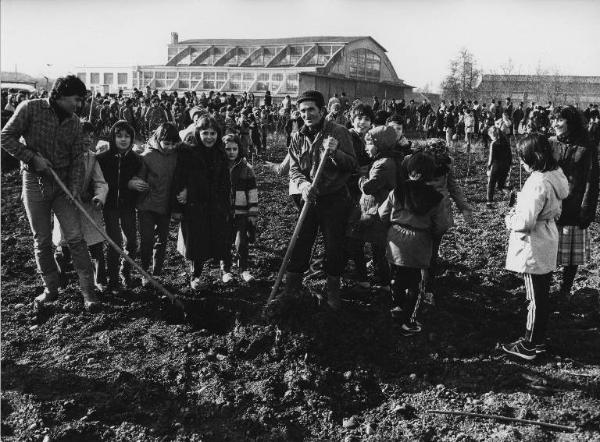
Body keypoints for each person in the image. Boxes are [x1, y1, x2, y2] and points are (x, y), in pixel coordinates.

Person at [0, 75, 100, 310]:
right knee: (42, 240)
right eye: (76, 99)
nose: (79, 105)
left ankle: (89, 294)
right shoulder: (30, 109)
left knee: (75, 238)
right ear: (61, 95)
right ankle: (51, 290)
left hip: (63, 186)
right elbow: (5, 136)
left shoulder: (75, 122)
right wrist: (32, 158)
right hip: (34, 182)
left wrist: (74, 187)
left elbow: (77, 158)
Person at [270, 90, 357, 312]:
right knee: (301, 241)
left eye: (311, 110)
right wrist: (303, 185)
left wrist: (336, 153)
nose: (307, 114)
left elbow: (352, 165)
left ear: (322, 110)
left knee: (333, 246)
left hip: (334, 198)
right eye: (303, 111)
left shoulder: (338, 133)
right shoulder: (298, 136)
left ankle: (333, 293)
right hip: (309, 197)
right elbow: (295, 169)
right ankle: (292, 289)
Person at [502, 134, 569, 360]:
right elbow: (554, 210)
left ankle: (529, 345)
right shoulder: (554, 176)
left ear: (535, 157)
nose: (521, 162)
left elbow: (525, 221)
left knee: (534, 298)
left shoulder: (537, 182)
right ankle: (538, 341)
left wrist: (510, 218)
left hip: (534, 242)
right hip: (548, 235)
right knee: (542, 293)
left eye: (523, 158)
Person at [379, 152, 444, 336]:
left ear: (409, 170)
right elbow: (441, 225)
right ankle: (410, 321)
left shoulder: (397, 191)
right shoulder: (436, 198)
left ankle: (397, 306)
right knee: (416, 281)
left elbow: (383, 214)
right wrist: (431, 233)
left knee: (397, 274)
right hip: (419, 241)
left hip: (396, 239)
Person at [173, 116, 232, 288]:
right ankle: (195, 275)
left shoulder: (220, 153)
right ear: (198, 133)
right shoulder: (189, 153)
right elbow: (180, 178)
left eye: (212, 133)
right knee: (196, 242)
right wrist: (183, 197)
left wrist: (225, 205)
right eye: (205, 133)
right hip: (195, 205)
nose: (209, 137)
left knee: (219, 238)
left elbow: (224, 182)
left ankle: (225, 270)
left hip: (215, 203)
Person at [549, 106, 599, 298]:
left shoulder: (587, 146)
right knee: (549, 246)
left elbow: (592, 180)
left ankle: (565, 289)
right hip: (552, 204)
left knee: (570, 253)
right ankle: (545, 285)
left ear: (572, 123)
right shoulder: (550, 143)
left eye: (560, 120)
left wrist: (586, 209)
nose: (555, 124)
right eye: (553, 120)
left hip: (575, 205)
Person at [53, 122, 108, 291]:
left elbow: (100, 181)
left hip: (87, 208)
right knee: (65, 248)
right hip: (66, 207)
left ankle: (100, 281)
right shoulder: (62, 155)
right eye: (84, 136)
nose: (88, 140)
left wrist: (99, 197)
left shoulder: (92, 157)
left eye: (91, 137)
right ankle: (60, 280)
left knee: (96, 246)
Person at [130, 122, 180, 286]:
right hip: (147, 206)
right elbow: (139, 177)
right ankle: (145, 272)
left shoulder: (176, 155)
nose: (170, 147)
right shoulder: (147, 156)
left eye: (173, 144)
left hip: (165, 206)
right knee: (147, 240)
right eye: (167, 143)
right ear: (158, 139)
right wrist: (137, 182)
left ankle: (156, 272)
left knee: (162, 240)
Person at [97, 120, 142, 294]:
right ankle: (114, 280)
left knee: (131, 242)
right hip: (109, 207)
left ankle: (126, 271)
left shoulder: (136, 160)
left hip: (128, 207)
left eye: (127, 136)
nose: (123, 140)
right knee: (114, 243)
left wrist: (135, 186)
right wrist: (127, 184)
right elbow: (103, 182)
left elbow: (139, 181)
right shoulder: (103, 158)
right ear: (113, 138)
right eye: (119, 136)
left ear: (132, 138)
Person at [356, 125, 398, 290]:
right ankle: (384, 281)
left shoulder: (383, 164)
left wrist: (360, 177)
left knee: (377, 249)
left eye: (369, 144)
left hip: (377, 211)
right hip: (379, 210)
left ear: (380, 144)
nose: (366, 147)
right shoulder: (387, 160)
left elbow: (369, 187)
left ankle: (383, 283)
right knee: (378, 248)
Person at [221, 134, 258, 282]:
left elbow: (252, 192)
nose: (231, 152)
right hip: (223, 211)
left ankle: (244, 269)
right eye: (227, 149)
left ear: (239, 149)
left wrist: (252, 212)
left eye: (234, 149)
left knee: (241, 241)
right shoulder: (219, 167)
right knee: (224, 241)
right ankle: (226, 270)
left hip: (241, 211)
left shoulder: (246, 168)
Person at [486, 126, 512, 206]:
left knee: (491, 184)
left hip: (496, 166)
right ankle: (510, 193)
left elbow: (491, 157)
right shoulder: (506, 142)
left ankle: (489, 201)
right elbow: (510, 155)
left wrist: (488, 167)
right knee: (501, 186)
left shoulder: (493, 144)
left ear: (493, 135)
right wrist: (509, 165)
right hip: (505, 166)